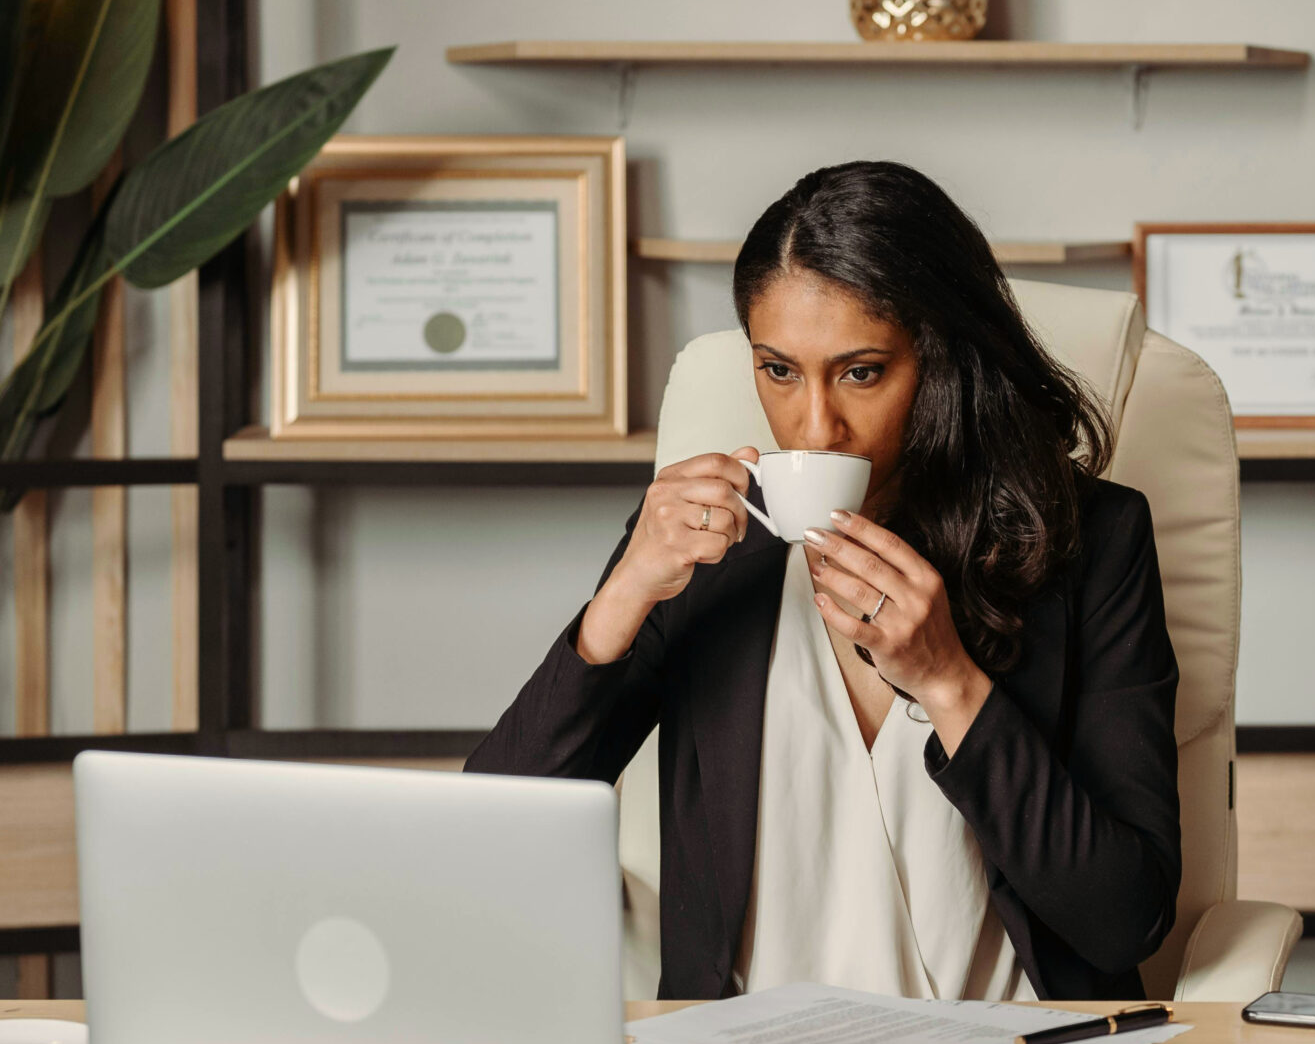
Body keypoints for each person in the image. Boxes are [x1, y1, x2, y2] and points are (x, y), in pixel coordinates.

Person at [469, 161, 1180, 1001]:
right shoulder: (701, 549)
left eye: (861, 372)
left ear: (944, 361)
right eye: (778, 370)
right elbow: (495, 837)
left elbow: (1124, 916)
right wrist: (623, 593)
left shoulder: (1094, 540)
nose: (816, 426)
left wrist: (952, 682)